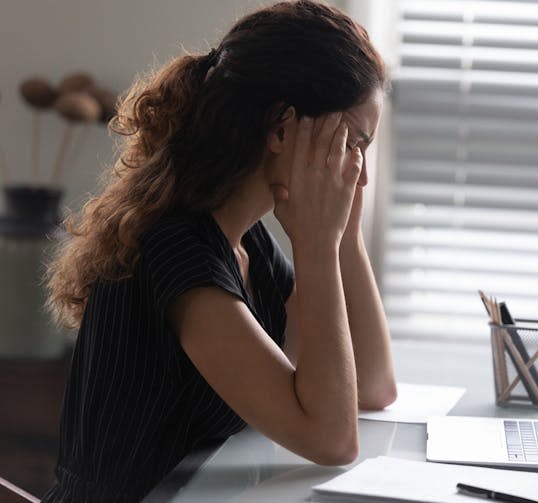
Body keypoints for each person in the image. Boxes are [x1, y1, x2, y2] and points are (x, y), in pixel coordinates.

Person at [41, 1, 396, 500]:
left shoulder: (245, 239)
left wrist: (346, 236)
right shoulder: (176, 250)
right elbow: (331, 439)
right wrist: (317, 244)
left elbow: (374, 386)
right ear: (280, 129)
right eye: (352, 143)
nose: (358, 170)